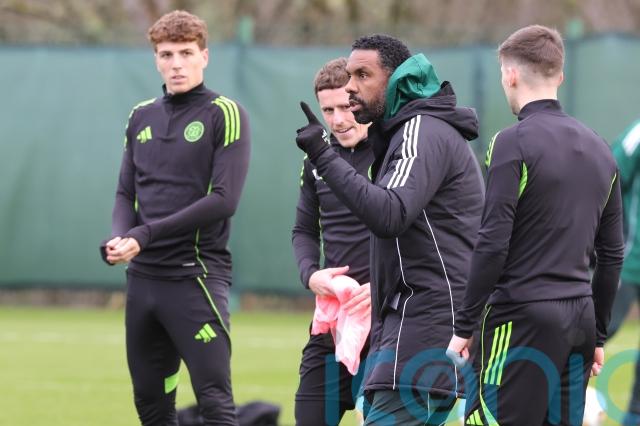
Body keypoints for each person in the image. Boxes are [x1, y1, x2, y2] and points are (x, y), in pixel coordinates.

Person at [294, 34, 484, 425]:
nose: (350, 88)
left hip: (425, 325)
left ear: (396, 78)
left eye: (362, 75)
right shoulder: (403, 134)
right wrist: (312, 273)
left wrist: (323, 156)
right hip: (399, 321)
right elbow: (305, 230)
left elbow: (389, 214)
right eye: (348, 77)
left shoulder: (421, 129)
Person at [447, 25, 625, 425]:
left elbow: (493, 242)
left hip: (521, 317)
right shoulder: (601, 149)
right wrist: (597, 333)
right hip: (579, 321)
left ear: (511, 75)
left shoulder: (510, 143)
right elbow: (612, 255)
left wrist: (464, 324)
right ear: (560, 76)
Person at [100, 10, 250, 426]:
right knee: (152, 406)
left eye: (186, 53)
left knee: (215, 403)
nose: (176, 64)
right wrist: (119, 237)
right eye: (167, 55)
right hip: (142, 282)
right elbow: (125, 192)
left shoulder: (224, 113)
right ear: (156, 59)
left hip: (194, 278)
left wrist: (144, 234)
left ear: (205, 56)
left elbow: (224, 200)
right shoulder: (140, 116)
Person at [292, 57, 373, 426]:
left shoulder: (396, 152)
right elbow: (304, 230)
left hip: (391, 318)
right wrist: (311, 275)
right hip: (334, 318)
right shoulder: (316, 160)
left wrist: (385, 285)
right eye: (328, 110)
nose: (338, 120)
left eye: (346, 107)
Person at [607, 118, 640, 426]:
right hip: (631, 260)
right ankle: (550, 391)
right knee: (598, 329)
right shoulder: (638, 133)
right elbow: (611, 174)